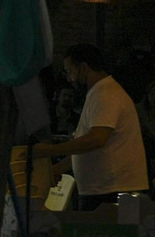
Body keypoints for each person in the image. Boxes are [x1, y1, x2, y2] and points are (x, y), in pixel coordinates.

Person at [35, 44, 149, 209]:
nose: (69, 79)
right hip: (108, 189)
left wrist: (48, 150)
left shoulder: (105, 94)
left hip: (112, 191)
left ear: (83, 67)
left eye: (69, 71)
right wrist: (56, 168)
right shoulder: (101, 92)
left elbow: (96, 140)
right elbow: (90, 146)